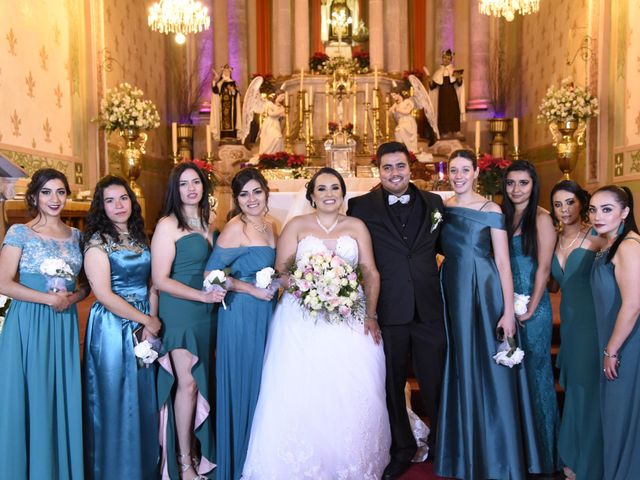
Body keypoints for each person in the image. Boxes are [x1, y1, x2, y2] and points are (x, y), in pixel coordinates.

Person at [242, 167, 390, 479]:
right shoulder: (296, 225)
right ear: (311, 195)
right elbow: (281, 272)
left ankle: (350, 457)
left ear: (343, 193)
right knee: (302, 386)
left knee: (351, 385)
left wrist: (371, 314)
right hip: (301, 316)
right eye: (321, 189)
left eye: (334, 188)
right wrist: (312, 288)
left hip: (350, 315)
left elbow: (370, 272)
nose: (329, 194)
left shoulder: (356, 225)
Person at [348, 141, 446, 480]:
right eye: (387, 167)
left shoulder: (434, 203)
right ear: (379, 170)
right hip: (387, 310)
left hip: (429, 307)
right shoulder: (359, 207)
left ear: (410, 167)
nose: (394, 173)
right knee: (391, 384)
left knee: (435, 381)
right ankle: (401, 447)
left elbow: (450, 249)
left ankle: (442, 442)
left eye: (400, 166)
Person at [435, 150, 534, 479]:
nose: (459, 175)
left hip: (483, 289)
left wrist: (507, 311)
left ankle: (498, 454)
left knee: (488, 365)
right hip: (452, 286)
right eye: (454, 169)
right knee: (461, 359)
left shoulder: (491, 209)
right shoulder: (442, 208)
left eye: (465, 169)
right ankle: (464, 450)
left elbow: (503, 263)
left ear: (477, 172)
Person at [0, 168, 89, 479]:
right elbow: (3, 283)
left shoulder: (77, 236)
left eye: (61, 192)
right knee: (30, 395)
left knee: (58, 396)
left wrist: (71, 299)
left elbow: (86, 287)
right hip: (28, 323)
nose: (55, 199)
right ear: (35, 196)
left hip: (62, 324)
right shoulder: (19, 233)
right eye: (47, 192)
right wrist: (47, 299)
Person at [83, 175, 162, 479]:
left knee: (143, 397)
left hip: (145, 320)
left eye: (124, 198)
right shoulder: (97, 243)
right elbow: (103, 294)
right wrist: (146, 321)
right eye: (110, 200)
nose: (118, 205)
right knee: (115, 397)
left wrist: (151, 322)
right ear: (101, 207)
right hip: (113, 327)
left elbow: (151, 283)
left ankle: (142, 468)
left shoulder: (139, 236)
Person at [152, 162, 226, 480]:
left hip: (207, 313)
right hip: (180, 309)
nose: (191, 188)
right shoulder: (167, 225)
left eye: (196, 182)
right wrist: (201, 297)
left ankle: (195, 450)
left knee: (202, 382)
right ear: (175, 190)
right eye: (183, 184)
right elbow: (160, 279)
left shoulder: (211, 222)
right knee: (188, 383)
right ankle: (183, 463)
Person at [205, 168, 278, 480]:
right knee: (246, 380)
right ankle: (240, 463)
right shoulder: (235, 228)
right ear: (236, 199)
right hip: (241, 313)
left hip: (267, 310)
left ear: (266, 192)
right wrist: (251, 289)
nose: (251, 199)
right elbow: (211, 276)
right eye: (244, 194)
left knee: (265, 383)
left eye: (256, 192)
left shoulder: (272, 224)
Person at [502, 160, 560, 474]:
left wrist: (533, 306)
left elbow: (544, 268)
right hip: (506, 306)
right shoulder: (503, 217)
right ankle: (519, 451)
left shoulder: (542, 218)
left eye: (523, 183)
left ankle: (545, 454)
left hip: (531, 308)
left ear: (533, 184)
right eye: (511, 183)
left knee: (537, 377)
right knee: (511, 378)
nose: (516, 189)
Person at [549, 180, 605, 480]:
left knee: (587, 391)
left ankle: (587, 460)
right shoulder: (553, 240)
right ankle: (572, 453)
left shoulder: (597, 236)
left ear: (581, 203)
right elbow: (555, 284)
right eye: (558, 204)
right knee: (574, 391)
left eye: (570, 202)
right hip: (570, 324)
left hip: (593, 323)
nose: (564, 209)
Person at [589, 185, 640, 480]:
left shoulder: (630, 247)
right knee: (614, 417)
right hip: (614, 341)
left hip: (626, 346)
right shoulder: (610, 243)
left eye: (607, 209)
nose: (598, 216)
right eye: (593, 209)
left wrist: (612, 350)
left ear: (625, 212)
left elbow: (633, 305)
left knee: (622, 418)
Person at [426, 49, 464, 137]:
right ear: (442, 59)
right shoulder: (437, 72)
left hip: (452, 95)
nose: (446, 60)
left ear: (451, 60)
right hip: (442, 96)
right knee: (443, 113)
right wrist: (430, 82)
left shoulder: (454, 71)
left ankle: (456, 130)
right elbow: (433, 87)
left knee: (454, 111)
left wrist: (459, 78)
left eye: (448, 59)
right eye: (444, 58)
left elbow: (459, 84)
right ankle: (444, 131)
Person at [210, 64, 242, 141]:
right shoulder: (220, 82)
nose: (226, 72)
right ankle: (222, 136)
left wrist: (232, 90)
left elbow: (237, 94)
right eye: (225, 71)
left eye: (228, 71)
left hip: (232, 107)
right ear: (223, 72)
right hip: (222, 107)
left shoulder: (233, 82)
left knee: (232, 120)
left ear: (230, 73)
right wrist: (214, 80)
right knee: (222, 121)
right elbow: (215, 91)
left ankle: (232, 136)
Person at [389, 88, 419, 153]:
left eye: (394, 95)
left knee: (401, 128)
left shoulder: (408, 101)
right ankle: (401, 149)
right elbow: (390, 111)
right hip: (401, 122)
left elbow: (407, 112)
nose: (393, 97)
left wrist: (397, 109)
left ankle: (410, 150)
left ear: (398, 94)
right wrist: (391, 110)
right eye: (392, 96)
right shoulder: (396, 104)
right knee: (397, 131)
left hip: (408, 121)